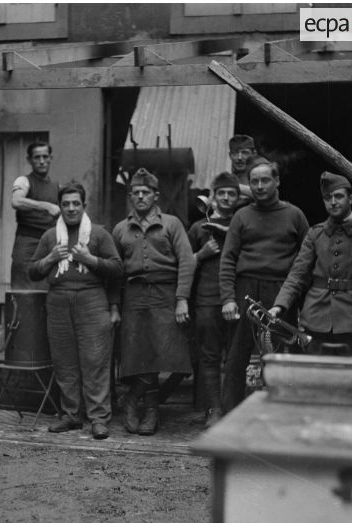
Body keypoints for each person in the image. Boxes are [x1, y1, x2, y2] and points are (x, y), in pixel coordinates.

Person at [29, 181, 123, 440]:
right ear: (59, 206)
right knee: (64, 361)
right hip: (58, 301)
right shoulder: (50, 237)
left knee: (95, 361)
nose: (71, 208)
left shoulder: (99, 234)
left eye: (76, 204)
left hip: (92, 300)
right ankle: (71, 415)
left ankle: (98, 417)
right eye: (66, 204)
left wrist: (90, 260)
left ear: (84, 205)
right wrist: (50, 259)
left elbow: (117, 270)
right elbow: (32, 271)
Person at [219, 156, 309, 413]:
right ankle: (229, 416)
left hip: (281, 292)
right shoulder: (241, 216)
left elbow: (306, 260)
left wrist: (296, 301)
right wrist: (228, 298)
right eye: (254, 181)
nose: (259, 186)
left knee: (280, 354)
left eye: (265, 180)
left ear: (277, 181)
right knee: (237, 356)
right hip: (246, 290)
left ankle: (281, 414)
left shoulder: (294, 215)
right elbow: (228, 260)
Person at [112, 168, 196, 436]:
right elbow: (114, 271)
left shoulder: (171, 224)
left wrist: (182, 299)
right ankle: (147, 408)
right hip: (134, 297)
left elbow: (187, 261)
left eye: (145, 193)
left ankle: (139, 403)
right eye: (135, 193)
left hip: (165, 294)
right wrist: (114, 305)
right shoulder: (120, 229)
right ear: (130, 197)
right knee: (138, 355)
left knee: (164, 352)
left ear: (155, 195)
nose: (140, 197)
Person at [269, 171, 352, 356]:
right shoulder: (315, 234)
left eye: (338, 196)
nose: (333, 202)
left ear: (350, 199)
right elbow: (297, 275)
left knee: (351, 380)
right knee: (315, 378)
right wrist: (279, 306)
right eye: (328, 197)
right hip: (316, 319)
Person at [188, 172, 240, 428]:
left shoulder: (244, 223)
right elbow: (185, 265)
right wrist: (202, 253)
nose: (227, 198)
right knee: (209, 356)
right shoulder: (199, 228)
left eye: (232, 193)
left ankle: (232, 409)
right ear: (214, 196)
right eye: (222, 193)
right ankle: (214, 409)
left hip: (236, 300)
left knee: (235, 356)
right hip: (207, 299)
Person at [11, 141, 61, 289]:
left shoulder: (56, 186)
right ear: (29, 160)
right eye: (37, 157)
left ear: (51, 158)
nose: (41, 161)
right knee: (23, 290)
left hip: (49, 243)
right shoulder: (24, 181)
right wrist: (45, 206)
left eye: (45, 157)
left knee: (48, 288)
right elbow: (16, 201)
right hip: (27, 242)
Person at [229, 134, 256, 207]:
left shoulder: (261, 178)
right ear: (230, 155)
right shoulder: (226, 178)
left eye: (244, 153)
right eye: (235, 153)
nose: (239, 157)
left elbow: (267, 195)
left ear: (254, 154)